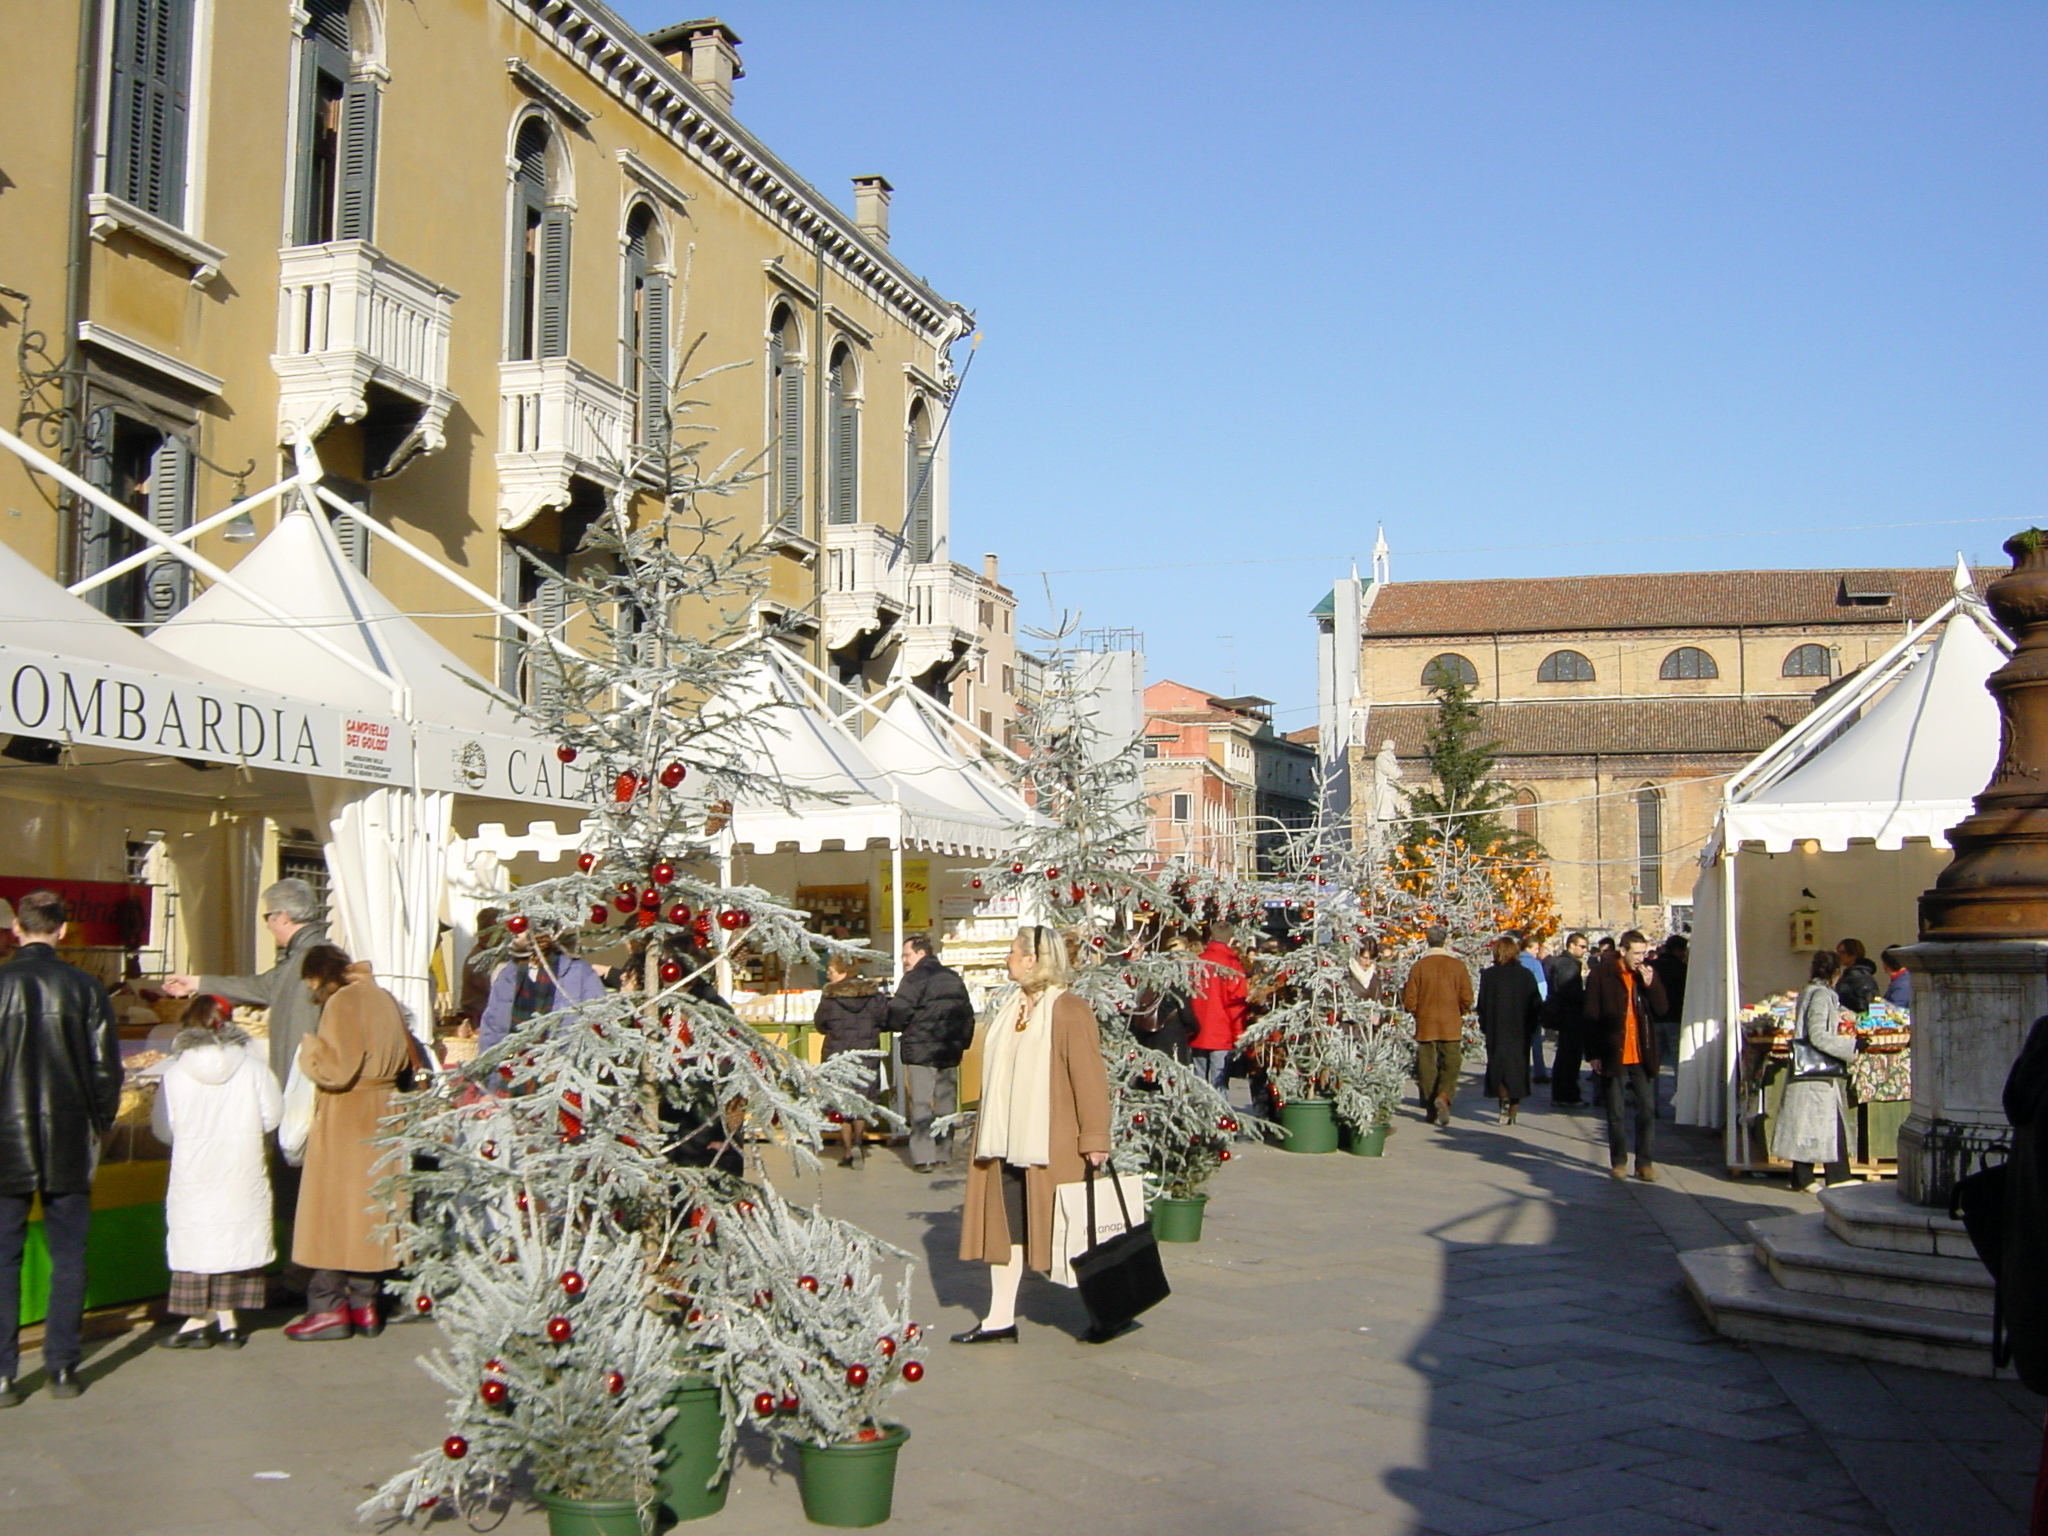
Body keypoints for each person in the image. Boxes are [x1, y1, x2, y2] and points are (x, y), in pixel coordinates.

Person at [953, 926, 1112, 1346]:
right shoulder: (1011, 1007)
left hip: (1050, 1142)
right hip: (1004, 1141)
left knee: (1068, 1232)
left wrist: (1095, 1138)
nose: (1006, 957)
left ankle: (1105, 1309)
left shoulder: (1069, 1009)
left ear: (1031, 959)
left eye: (1012, 951)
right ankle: (998, 1318)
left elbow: (1090, 1077)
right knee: (1007, 1232)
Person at [0, 891, 121, 1405]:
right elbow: (106, 1072)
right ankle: (62, 1368)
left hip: (5, 1141)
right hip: (70, 1140)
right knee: (70, 1256)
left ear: (16, 930)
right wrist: (100, 1125)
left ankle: (3, 1376)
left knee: (3, 1259)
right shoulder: (86, 988)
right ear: (63, 931)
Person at [284, 944, 411, 1341]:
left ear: (317, 976)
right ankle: (365, 1305)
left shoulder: (342, 1002)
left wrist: (310, 1051)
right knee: (370, 1214)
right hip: (387, 1111)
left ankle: (328, 1308)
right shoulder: (383, 997)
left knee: (332, 1215)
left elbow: (337, 1070)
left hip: (348, 1115)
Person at [151, 994, 282, 1350]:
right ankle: (228, 1322)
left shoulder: (175, 1073)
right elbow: (272, 1116)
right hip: (241, 1165)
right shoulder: (253, 1067)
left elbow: (164, 1129)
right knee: (234, 1241)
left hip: (195, 1169)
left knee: (198, 1242)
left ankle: (197, 1320)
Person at [164, 877, 329, 1086]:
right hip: (304, 1072)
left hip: (306, 1076)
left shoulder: (313, 958)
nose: (268, 926)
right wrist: (196, 983)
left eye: (268, 917)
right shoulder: (305, 956)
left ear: (283, 918)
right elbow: (259, 986)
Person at [1584, 929, 1668, 1181]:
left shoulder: (1647, 974)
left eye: (1644, 953)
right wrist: (1593, 1053)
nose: (1641, 958)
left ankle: (1644, 1162)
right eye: (1637, 953)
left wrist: (1651, 984)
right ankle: (1619, 1161)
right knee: (1616, 1111)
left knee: (1646, 1108)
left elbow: (1662, 1009)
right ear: (1623, 951)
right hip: (1613, 1050)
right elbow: (1591, 1015)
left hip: (1642, 1050)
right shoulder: (1602, 974)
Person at [889, 933, 976, 1172]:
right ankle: (944, 1152)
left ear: (920, 953)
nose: (904, 960)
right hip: (949, 1048)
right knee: (946, 1102)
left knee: (921, 1102)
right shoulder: (952, 978)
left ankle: (923, 1156)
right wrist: (962, 1043)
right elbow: (967, 1013)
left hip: (920, 1048)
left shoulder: (913, 979)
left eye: (906, 955)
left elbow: (899, 1011)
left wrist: (892, 1024)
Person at [1772, 950, 1858, 1193]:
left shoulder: (1809, 991)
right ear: (1835, 973)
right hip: (1817, 1069)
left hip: (1809, 1072)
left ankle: (1804, 1177)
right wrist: (1850, 1045)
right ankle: (1836, 1175)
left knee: (1809, 1123)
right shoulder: (1821, 995)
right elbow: (1818, 1035)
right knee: (1823, 1121)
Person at [815, 956, 891, 1168]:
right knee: (862, 1099)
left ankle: (847, 1150)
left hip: (837, 1054)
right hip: (866, 1052)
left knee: (840, 1101)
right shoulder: (873, 994)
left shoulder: (830, 997)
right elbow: (884, 1019)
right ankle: (859, 1141)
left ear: (842, 971)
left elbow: (821, 1024)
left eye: (831, 970)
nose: (828, 974)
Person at [477, 928, 606, 1051]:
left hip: (558, 1067)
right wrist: (488, 1070)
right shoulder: (509, 974)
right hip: (510, 1067)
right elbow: (491, 1027)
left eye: (522, 924)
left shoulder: (579, 973)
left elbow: (598, 1023)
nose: (513, 931)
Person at [1401, 926, 1474, 1126]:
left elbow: (1410, 1000)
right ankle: (1444, 1096)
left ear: (1427, 941)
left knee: (1426, 1066)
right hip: (1451, 1023)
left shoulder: (1419, 967)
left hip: (1425, 1023)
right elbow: (1467, 997)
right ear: (1445, 942)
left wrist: (1417, 1011)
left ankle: (1430, 1106)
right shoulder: (1457, 966)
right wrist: (1460, 1010)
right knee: (1451, 1063)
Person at [1478, 936, 1542, 1125]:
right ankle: (1514, 1106)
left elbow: (1482, 1003)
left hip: (1496, 1028)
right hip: (1520, 1029)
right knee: (1518, 1067)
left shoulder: (1489, 975)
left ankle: (1502, 1098)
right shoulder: (1525, 975)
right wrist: (1533, 1024)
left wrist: (1485, 1024)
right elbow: (1535, 1003)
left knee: (1498, 1065)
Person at [1187, 922, 1249, 1090]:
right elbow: (1236, 1002)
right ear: (1231, 940)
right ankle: (1219, 1115)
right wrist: (1239, 1033)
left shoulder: (1196, 962)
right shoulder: (1232, 965)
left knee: (1199, 1080)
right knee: (1219, 1081)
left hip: (1196, 1028)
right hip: (1222, 1029)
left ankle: (1197, 1112)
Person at [1547, 932, 1591, 1107]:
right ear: (1571, 946)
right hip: (1570, 1016)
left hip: (1566, 1015)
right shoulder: (1568, 965)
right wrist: (1587, 995)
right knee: (1570, 1057)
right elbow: (1568, 992)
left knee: (1566, 1056)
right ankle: (1568, 1095)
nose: (1584, 950)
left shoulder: (1567, 963)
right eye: (1581, 946)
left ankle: (1562, 1094)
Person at [1511, 931, 1551, 1084]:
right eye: (1535, 949)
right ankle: (1539, 1073)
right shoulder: (1535, 964)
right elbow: (1542, 987)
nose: (1537, 952)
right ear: (1529, 948)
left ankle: (1518, 1071)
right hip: (1532, 1008)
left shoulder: (1514, 961)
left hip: (1515, 1008)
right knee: (1535, 1042)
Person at [1652, 934, 1690, 1068]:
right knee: (1678, 1060)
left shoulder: (1651, 967)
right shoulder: (1684, 969)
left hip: (1653, 1018)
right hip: (1675, 1017)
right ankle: (1678, 1089)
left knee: (1652, 1061)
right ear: (1678, 950)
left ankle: (1650, 1089)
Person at [1833, 937, 1879, 1015]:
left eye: (1842, 952)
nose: (1838, 956)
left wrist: (1873, 1021)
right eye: (1837, 952)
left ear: (1853, 955)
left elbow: (1875, 1002)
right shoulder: (1848, 974)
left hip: (1860, 1021)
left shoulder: (1861, 976)